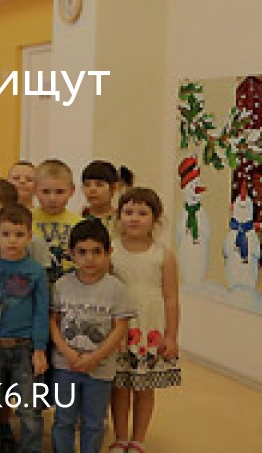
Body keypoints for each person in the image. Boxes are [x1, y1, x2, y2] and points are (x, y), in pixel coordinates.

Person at [0, 204, 49, 453]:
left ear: (29, 236)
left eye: (19, 234)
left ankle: (30, 448)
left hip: (26, 347)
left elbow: (41, 311)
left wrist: (39, 349)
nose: (12, 240)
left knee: (29, 406)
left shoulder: (36, 271)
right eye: (6, 234)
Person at [50, 219, 134, 453]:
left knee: (94, 422)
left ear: (109, 252)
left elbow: (120, 328)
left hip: (100, 369)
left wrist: (95, 357)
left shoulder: (116, 288)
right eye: (82, 252)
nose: (89, 258)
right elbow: (53, 322)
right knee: (64, 419)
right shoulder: (61, 285)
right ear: (71, 254)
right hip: (65, 366)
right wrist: (68, 353)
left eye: (97, 252)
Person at [108, 188, 181, 453]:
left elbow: (171, 299)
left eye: (142, 213)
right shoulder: (111, 251)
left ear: (155, 219)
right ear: (119, 216)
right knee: (119, 387)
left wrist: (170, 336)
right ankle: (119, 437)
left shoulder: (164, 255)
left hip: (149, 327)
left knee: (144, 388)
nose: (134, 218)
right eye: (128, 212)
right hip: (119, 328)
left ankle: (138, 439)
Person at [32, 159, 82, 286]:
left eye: (59, 192)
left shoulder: (80, 224)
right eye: (45, 192)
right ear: (34, 189)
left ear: (72, 190)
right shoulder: (25, 219)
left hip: (70, 286)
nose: (52, 198)